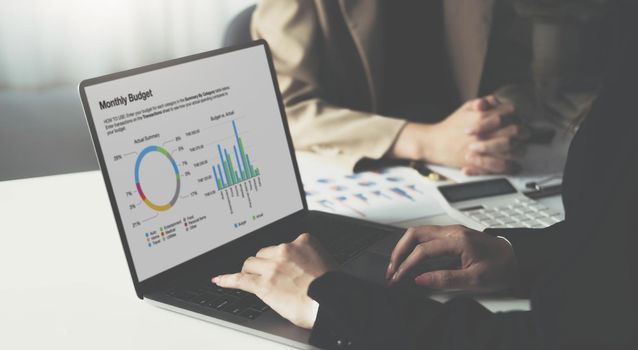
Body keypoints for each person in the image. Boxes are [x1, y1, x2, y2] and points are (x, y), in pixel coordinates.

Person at [212, 3, 637, 349]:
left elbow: (553, 338)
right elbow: (618, 248)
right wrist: (518, 252)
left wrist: (332, 304)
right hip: (377, 176)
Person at [251, 0, 609, 174]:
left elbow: (522, 66)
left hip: (477, 170)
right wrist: (425, 139)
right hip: (367, 175)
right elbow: (277, 109)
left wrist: (492, 114)